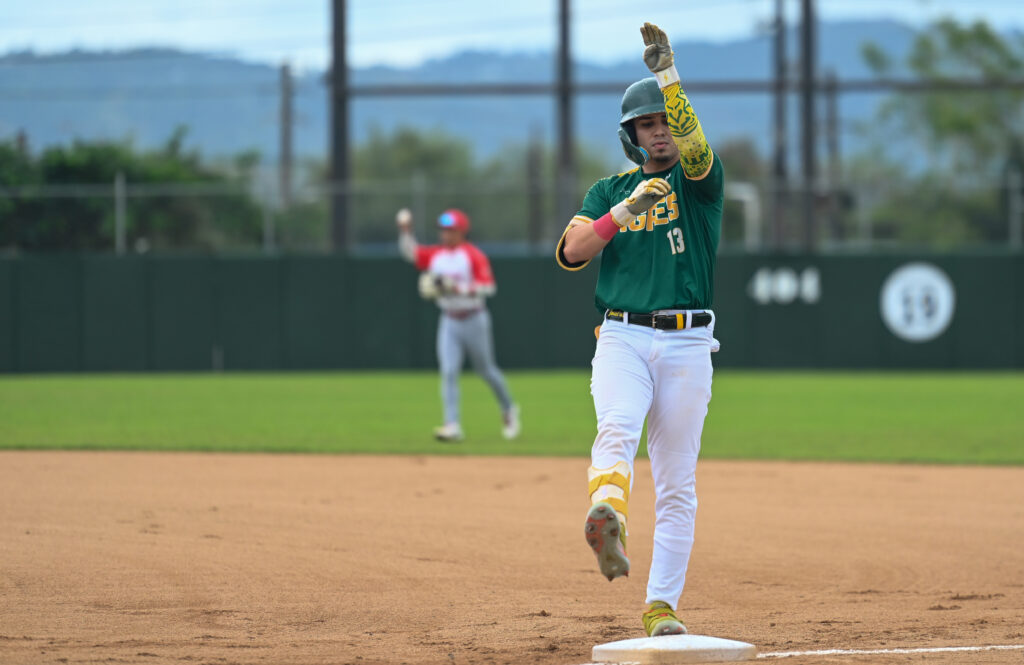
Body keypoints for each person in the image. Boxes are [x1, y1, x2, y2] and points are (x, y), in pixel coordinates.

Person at [555, 23, 724, 637]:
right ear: (632, 136)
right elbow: (573, 251)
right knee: (617, 426)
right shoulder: (610, 190)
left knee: (678, 479)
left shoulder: (701, 184)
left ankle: (660, 607)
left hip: (686, 340)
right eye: (649, 123)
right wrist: (623, 214)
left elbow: (699, 148)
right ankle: (609, 516)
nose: (661, 129)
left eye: (667, 121)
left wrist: (669, 79)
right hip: (622, 335)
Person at [396, 207, 520, 442]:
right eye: (443, 230)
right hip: (449, 320)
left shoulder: (472, 255)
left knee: (487, 371)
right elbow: (410, 253)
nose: (445, 234)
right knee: (449, 371)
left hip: (474, 318)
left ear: (462, 231)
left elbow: (488, 287)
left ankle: (508, 409)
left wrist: (457, 288)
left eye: (451, 230)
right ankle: (452, 425)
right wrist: (405, 231)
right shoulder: (436, 255)